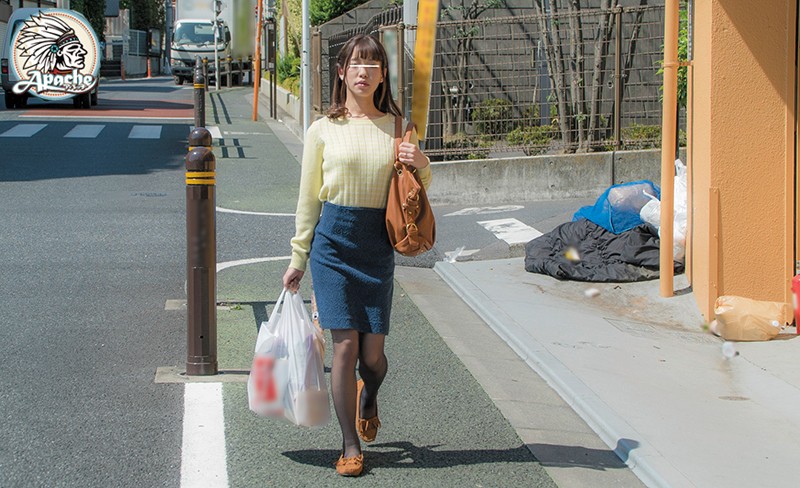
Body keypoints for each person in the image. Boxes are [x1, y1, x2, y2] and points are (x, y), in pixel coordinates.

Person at [282, 34, 431, 477]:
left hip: (376, 244)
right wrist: (298, 258)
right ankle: (350, 444)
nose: (364, 71)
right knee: (344, 348)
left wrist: (421, 161)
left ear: (383, 74)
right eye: (356, 63)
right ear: (342, 72)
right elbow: (308, 198)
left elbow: (416, 193)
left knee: (372, 357)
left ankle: (370, 393)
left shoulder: (398, 125)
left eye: (373, 64)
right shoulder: (322, 129)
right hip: (332, 243)